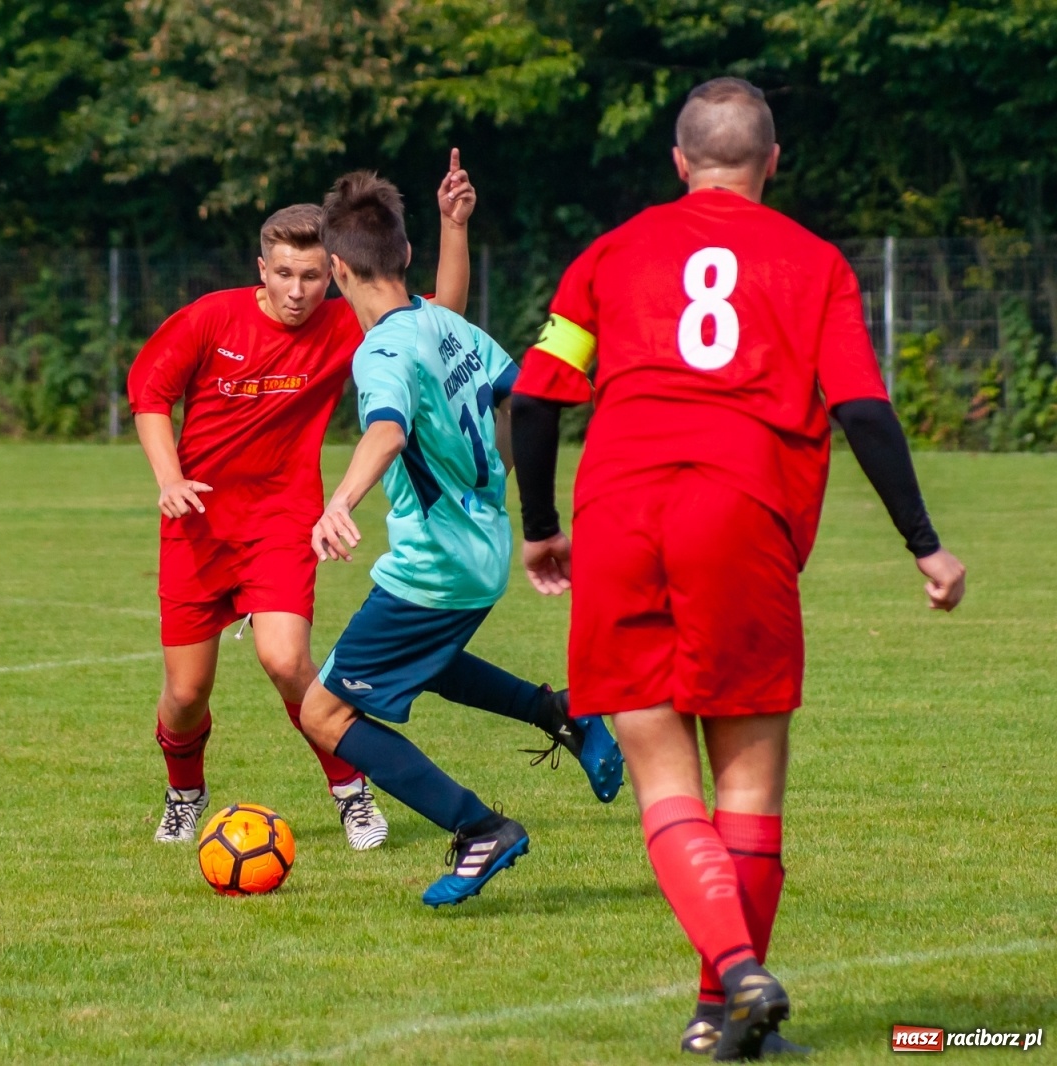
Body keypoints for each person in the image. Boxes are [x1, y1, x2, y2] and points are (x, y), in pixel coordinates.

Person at [511, 78, 967, 1060]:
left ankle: (726, 1001)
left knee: (662, 780)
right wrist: (924, 543)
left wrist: (542, 525)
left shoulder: (609, 252)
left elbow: (537, 396)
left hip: (619, 507)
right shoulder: (812, 262)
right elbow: (861, 410)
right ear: (772, 161)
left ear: (678, 162)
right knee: (747, 788)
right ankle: (725, 998)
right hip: (742, 510)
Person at [126, 152, 482, 849]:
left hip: (284, 520)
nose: (297, 291)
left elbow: (444, 316)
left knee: (287, 660)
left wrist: (453, 225)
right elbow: (149, 394)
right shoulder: (210, 319)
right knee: (186, 694)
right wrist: (169, 480)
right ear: (262, 269)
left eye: (313, 276)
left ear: (336, 273)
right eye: (284, 274)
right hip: (197, 527)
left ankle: (349, 789)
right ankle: (184, 792)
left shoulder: (345, 324)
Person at [296, 170, 624, 909]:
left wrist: (339, 500)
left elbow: (385, 428)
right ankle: (562, 713)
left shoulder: (380, 352)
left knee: (324, 712)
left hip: (434, 565)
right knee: (430, 664)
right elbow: (516, 399)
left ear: (338, 269)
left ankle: (480, 828)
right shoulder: (450, 327)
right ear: (405, 251)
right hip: (486, 546)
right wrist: (494, 480)